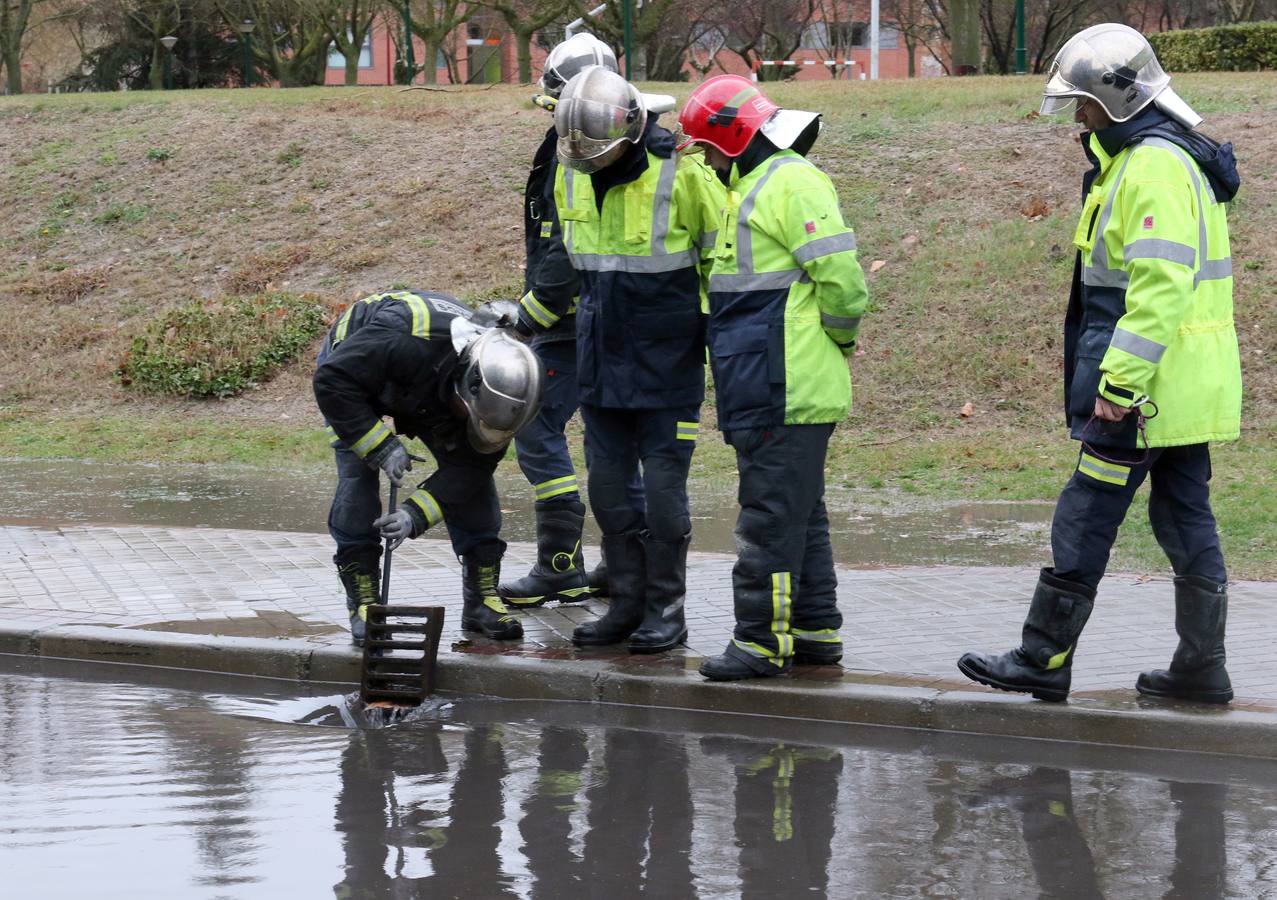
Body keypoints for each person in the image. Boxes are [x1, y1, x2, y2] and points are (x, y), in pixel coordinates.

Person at [958, 23, 1242, 704]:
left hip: (1140, 394)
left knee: (1084, 513)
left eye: (1082, 105)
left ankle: (1041, 657)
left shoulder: (1150, 167)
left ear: (1115, 101)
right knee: (1184, 521)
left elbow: (1156, 290)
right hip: (1179, 390)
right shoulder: (1160, 160)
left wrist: (1117, 384)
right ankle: (1200, 669)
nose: (1077, 118)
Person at [674, 76, 869, 680]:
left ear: (731, 140)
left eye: (707, 148)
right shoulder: (757, 187)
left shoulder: (789, 183)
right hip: (768, 382)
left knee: (767, 521)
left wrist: (836, 340)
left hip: (784, 385)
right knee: (799, 516)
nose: (704, 159)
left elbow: (845, 286)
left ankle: (760, 642)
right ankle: (815, 633)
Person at [552, 66, 726, 653]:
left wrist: (703, 339)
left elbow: (720, 263)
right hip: (600, 360)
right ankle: (624, 604)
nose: (588, 161)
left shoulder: (682, 171)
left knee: (662, 496)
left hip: (668, 364)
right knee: (608, 490)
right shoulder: (570, 167)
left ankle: (665, 611)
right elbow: (574, 266)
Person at [313, 289, 544, 645]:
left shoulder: (505, 389)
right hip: (353, 375)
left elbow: (468, 471)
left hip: (426, 384)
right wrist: (381, 445)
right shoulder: (401, 341)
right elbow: (332, 381)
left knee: (475, 480)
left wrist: (412, 514)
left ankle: (481, 599)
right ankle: (363, 600)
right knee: (358, 473)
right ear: (468, 387)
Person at [497, 34, 620, 610]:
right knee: (610, 438)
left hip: (572, 322)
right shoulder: (622, 141)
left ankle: (559, 564)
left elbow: (564, 243)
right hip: (600, 317)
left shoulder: (575, 150)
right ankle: (620, 566)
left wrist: (528, 316)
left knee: (533, 420)